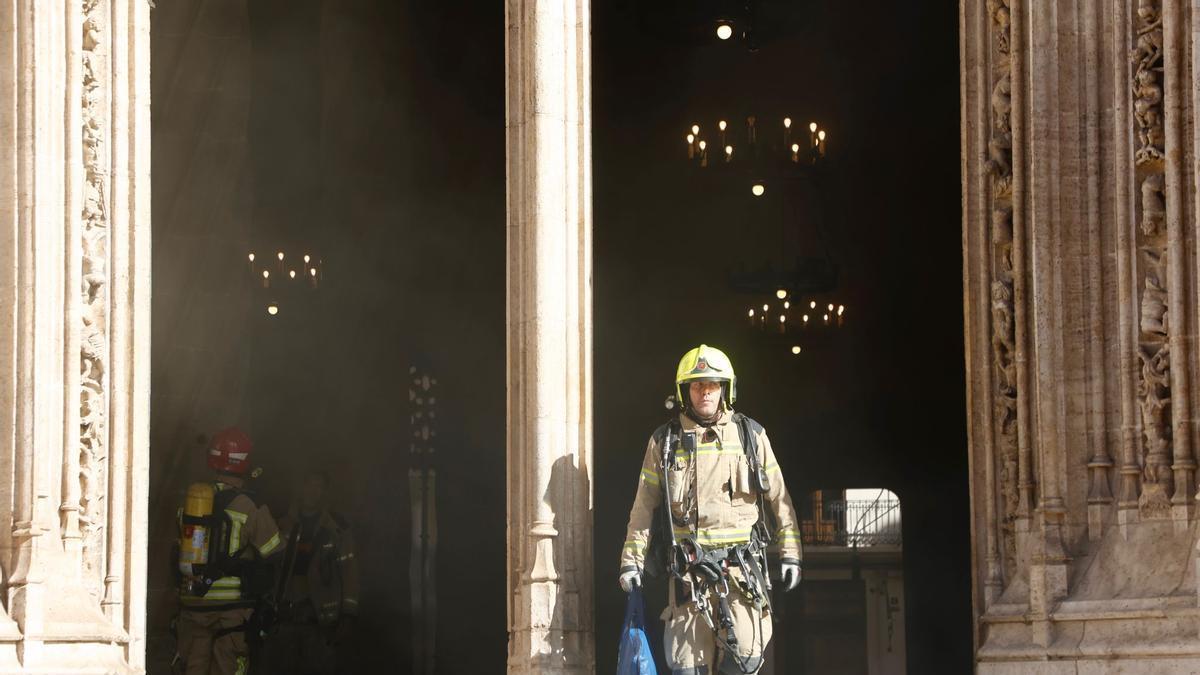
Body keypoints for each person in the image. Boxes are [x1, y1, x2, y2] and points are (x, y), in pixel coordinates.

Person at [619, 344, 803, 674]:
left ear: (725, 390)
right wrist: (630, 563)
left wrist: (790, 554)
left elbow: (780, 501)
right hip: (689, 582)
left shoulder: (751, 436)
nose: (705, 392)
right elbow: (643, 507)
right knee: (686, 667)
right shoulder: (664, 443)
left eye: (712, 385)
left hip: (741, 578)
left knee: (744, 661)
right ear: (685, 391)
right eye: (697, 385)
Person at [175, 428, 283, 675]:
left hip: (193, 604)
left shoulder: (192, 503)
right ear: (245, 463)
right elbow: (274, 550)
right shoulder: (250, 505)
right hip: (232, 611)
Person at [262, 470, 360, 674]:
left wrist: (348, 615)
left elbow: (349, 570)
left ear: (325, 492)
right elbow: (267, 567)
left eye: (319, 486)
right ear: (301, 487)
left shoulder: (337, 528)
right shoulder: (279, 522)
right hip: (284, 619)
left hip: (320, 623)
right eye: (309, 484)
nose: (312, 491)